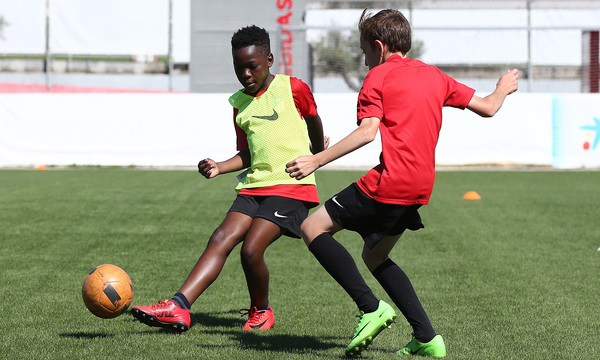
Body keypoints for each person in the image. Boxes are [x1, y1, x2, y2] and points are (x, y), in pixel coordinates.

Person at [285, 9, 519, 358]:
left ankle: (370, 308)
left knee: (312, 226)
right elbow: (487, 107)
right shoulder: (435, 76)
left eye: (365, 51)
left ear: (378, 47)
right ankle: (427, 338)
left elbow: (367, 132)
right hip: (421, 187)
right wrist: (502, 88)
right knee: (375, 254)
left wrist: (316, 159)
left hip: (390, 180)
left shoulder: (378, 77)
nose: (364, 60)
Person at [132, 25, 328, 333]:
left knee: (251, 250)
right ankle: (178, 307)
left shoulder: (294, 88)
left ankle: (262, 311)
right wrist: (218, 167)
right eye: (240, 68)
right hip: (254, 185)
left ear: (270, 60)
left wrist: (318, 155)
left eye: (253, 66)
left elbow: (314, 121)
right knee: (221, 238)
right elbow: (248, 153)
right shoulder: (238, 103)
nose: (246, 74)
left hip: (291, 187)